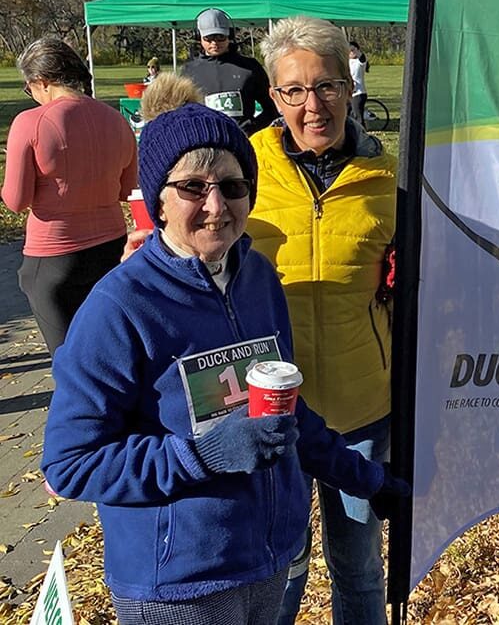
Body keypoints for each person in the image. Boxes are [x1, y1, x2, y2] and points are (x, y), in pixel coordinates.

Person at [40, 102, 408, 625]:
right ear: (160, 202)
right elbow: (70, 463)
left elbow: (282, 411)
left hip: (266, 563)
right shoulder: (119, 306)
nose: (216, 206)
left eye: (233, 187)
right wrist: (202, 456)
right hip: (177, 588)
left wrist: (365, 478)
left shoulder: (259, 279)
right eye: (193, 187)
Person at [252, 17, 397, 625]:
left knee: (358, 568)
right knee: (279, 565)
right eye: (294, 90)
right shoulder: (243, 167)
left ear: (350, 84)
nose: (313, 106)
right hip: (268, 411)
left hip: (359, 408)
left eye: (328, 86)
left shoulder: (390, 177)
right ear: (273, 94)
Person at [2, 37, 137, 354]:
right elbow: (126, 190)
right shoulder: (117, 120)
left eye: (29, 88)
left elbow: (16, 200)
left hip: (54, 257)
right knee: (109, 352)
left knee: (71, 364)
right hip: (111, 248)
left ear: (42, 82)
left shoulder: (30, 122)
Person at [182, 8, 278, 135]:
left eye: (220, 37)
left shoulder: (250, 67)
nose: (214, 43)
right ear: (198, 37)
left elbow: (272, 108)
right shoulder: (189, 71)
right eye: (208, 38)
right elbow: (182, 114)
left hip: (245, 142)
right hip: (207, 143)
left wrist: (251, 129)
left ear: (230, 35)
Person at [349, 40, 369, 129]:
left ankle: (362, 134)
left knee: (358, 117)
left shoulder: (359, 62)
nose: (350, 52)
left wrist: (356, 50)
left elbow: (363, 59)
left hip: (358, 93)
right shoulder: (347, 61)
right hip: (349, 93)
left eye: (352, 50)